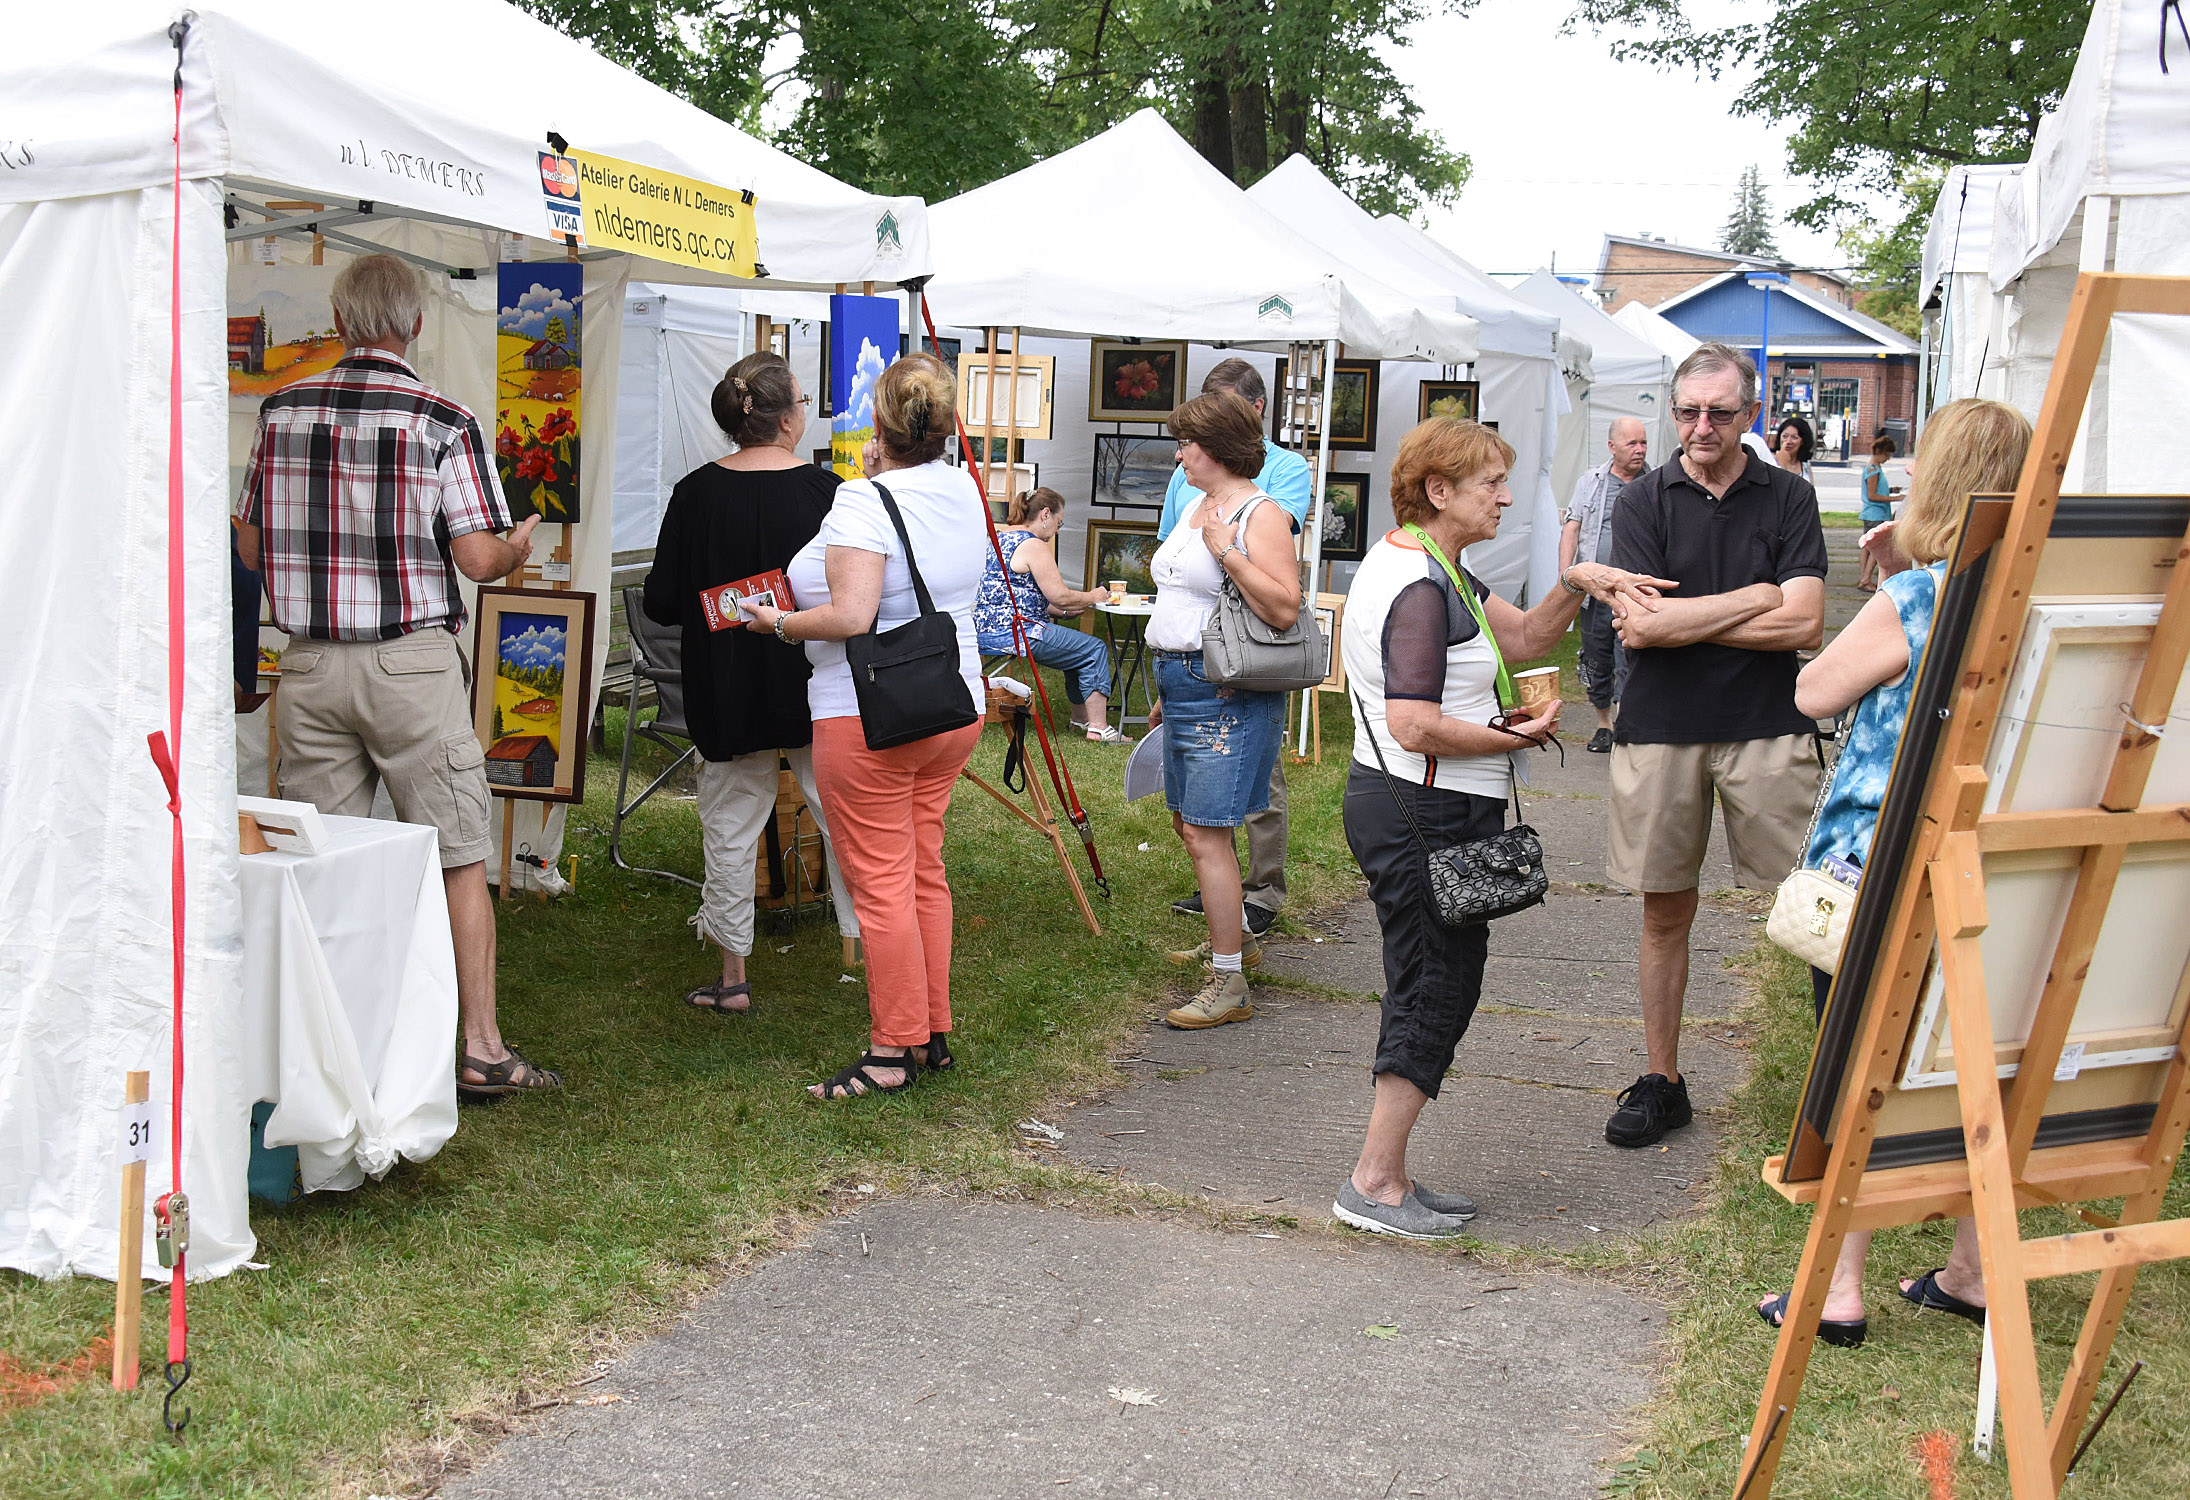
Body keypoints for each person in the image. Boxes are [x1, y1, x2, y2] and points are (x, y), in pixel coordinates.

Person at [1335, 418, 1671, 1236]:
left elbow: (1522, 636)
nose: (1508, 496)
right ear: (1438, 491)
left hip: (1428, 804)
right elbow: (1413, 722)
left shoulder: (1435, 564)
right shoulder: (1419, 586)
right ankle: (1372, 1184)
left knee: (1435, 980)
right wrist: (1510, 736)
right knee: (1433, 987)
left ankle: (1391, 1176)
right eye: (1491, 482)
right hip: (1422, 807)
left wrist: (1578, 581)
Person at [235, 253, 558, 1101]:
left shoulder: (281, 410)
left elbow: (248, 546)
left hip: (306, 665)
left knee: (324, 862)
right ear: (413, 324)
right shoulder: (440, 417)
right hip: (411, 664)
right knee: (456, 854)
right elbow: (479, 558)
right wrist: (518, 546)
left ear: (341, 323)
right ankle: (481, 1049)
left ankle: (333, 1054)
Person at [1756, 397, 2032, 1345]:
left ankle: (1838, 1286)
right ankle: (1970, 1268)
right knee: (1973, 1062)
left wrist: (1893, 581)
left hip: (1888, 862)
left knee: (1859, 1064)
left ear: (1938, 481)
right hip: (2003, 860)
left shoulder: (1919, 596)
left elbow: (1813, 688)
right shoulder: (2038, 596)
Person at [739, 354, 987, 1099]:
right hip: (953, 698)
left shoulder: (861, 503)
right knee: (922, 871)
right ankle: (930, 1031)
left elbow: (851, 616)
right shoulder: (964, 489)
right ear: (944, 425)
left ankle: (891, 1049)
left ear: (878, 425)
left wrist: (777, 622)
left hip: (867, 707)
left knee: (881, 884)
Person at [1603, 341, 1829, 1147]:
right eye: (1689, 411)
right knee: (1665, 912)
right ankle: (1662, 1080)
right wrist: (1757, 596)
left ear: (1752, 414)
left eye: (1721, 412)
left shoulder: (1789, 498)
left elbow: (1805, 623)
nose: (1703, 426)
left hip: (1769, 725)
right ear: (1674, 411)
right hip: (1661, 732)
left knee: (1815, 907)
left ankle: (1834, 1090)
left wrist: (1688, 619)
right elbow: (1641, 627)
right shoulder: (1643, 501)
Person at [642, 351, 858, 1015]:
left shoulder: (695, 493)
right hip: (816, 686)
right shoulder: (830, 494)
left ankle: (733, 974)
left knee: (730, 832)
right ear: (788, 417)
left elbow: (662, 603)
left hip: (726, 690)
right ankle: (877, 956)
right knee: (849, 827)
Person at [1145, 391, 1303, 1028]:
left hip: (1226, 689)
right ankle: (1234, 942)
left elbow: (1285, 605)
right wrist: (1165, 689)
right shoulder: (1199, 506)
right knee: (1190, 825)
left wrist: (1227, 550)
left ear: (1213, 447)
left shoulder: (1260, 515)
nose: (1179, 452)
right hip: (1185, 677)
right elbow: (1183, 601)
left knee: (1210, 833)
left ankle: (1229, 980)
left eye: (1186, 442)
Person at [972, 486, 1123, 742]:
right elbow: (1059, 595)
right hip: (1021, 632)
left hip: (985, 631)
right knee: (1093, 649)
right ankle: (1098, 726)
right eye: (1058, 523)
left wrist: (1064, 612)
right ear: (1045, 514)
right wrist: (1093, 597)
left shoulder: (998, 538)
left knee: (1076, 651)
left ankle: (1080, 720)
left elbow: (1018, 594)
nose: (1055, 531)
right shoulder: (1034, 545)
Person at [1558, 417, 1651, 752]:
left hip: (1636, 594)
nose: (1640, 450)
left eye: (1643, 442)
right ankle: (1603, 725)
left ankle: (1627, 724)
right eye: (1632, 444)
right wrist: (1566, 578)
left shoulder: (1654, 483)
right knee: (1596, 660)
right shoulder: (1591, 482)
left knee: (1631, 658)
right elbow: (1572, 529)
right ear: (1612, 447)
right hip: (1596, 595)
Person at [1856, 434, 1899, 591]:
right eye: (1887, 455)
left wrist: (1890, 490)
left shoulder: (1872, 468)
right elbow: (1872, 495)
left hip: (1871, 513)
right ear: (1880, 452)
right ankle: (1866, 579)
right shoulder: (1874, 470)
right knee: (1877, 548)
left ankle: (1863, 577)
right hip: (1877, 513)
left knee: (1866, 547)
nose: (1887, 458)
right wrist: (1895, 498)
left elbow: (1874, 490)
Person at [1772, 414, 1815, 483]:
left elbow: (1811, 490)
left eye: (1794, 437)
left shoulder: (1805, 465)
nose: (1788, 441)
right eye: (1785, 436)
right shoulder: (1770, 461)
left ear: (1803, 441)